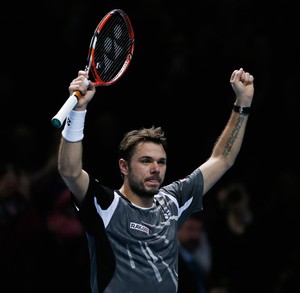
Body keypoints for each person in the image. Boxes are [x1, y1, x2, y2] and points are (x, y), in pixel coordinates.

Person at [57, 67, 254, 293]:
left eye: (161, 162)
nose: (155, 169)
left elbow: (223, 158)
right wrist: (78, 111)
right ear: (124, 166)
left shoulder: (173, 202)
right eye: (146, 161)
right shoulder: (106, 205)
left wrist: (243, 103)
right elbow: (69, 171)